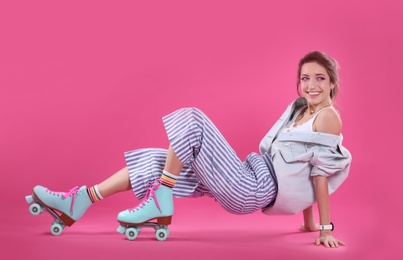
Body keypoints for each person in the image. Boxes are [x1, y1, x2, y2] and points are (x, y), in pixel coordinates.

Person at [26, 51, 352, 248]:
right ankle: (80, 200)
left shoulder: (327, 118)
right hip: (248, 174)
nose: (311, 85)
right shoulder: (300, 111)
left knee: (192, 120)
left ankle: (161, 198)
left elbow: (319, 175)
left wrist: (323, 229)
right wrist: (307, 223)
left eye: (320, 79)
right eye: (305, 78)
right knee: (159, 161)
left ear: (332, 83)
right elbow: (302, 170)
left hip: (254, 188)